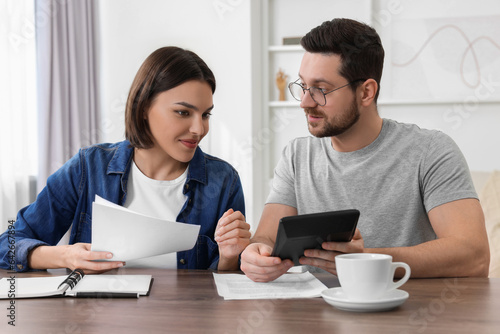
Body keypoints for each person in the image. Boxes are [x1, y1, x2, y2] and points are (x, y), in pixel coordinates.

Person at [240, 18, 490, 282]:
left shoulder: (431, 151)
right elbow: (266, 238)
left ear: (366, 93)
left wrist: (364, 261)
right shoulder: (296, 156)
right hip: (314, 317)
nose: (304, 102)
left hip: (406, 315)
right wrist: (256, 254)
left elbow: (473, 256)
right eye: (303, 85)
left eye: (321, 90)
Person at [0, 46, 250, 273]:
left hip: (186, 321)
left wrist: (229, 257)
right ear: (143, 108)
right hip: (97, 318)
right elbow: (8, 244)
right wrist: (65, 256)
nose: (199, 128)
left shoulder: (223, 180)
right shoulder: (88, 167)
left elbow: (225, 288)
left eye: (205, 114)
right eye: (183, 112)